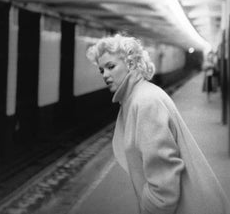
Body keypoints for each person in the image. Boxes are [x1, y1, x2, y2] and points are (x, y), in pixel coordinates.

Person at [86, 33, 230, 214]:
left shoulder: (145, 102)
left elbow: (164, 187)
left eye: (111, 66)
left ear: (130, 64)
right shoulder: (138, 97)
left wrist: (150, 206)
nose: (105, 75)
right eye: (102, 70)